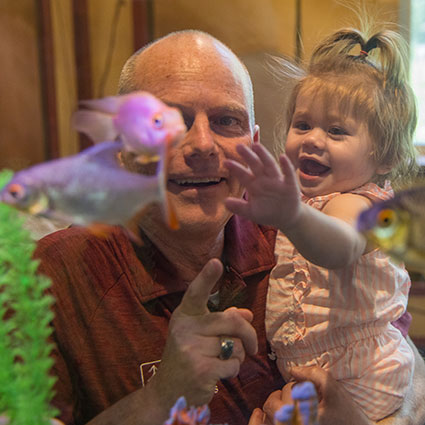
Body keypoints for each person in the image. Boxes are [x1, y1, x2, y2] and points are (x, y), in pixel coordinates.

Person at [33, 30, 425, 425]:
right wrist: (161, 396)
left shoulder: (292, 235)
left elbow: (395, 353)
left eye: (225, 121)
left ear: (254, 143)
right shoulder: (54, 276)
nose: (202, 143)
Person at [224, 27, 419, 422]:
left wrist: (292, 216)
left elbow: (340, 247)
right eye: (303, 125)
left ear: (383, 158)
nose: (313, 139)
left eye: (336, 131)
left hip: (362, 376)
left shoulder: (358, 203)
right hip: (322, 373)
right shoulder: (311, 202)